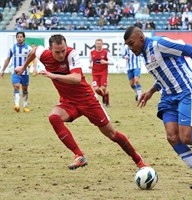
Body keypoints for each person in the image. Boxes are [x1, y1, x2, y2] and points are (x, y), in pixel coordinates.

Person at [15, 34, 148, 170]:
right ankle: (79, 156)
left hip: (87, 100)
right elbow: (34, 51)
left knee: (112, 134)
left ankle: (139, 161)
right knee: (54, 117)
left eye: (63, 50)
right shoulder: (44, 54)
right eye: (57, 52)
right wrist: (23, 67)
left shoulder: (71, 54)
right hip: (68, 102)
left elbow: (77, 78)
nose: (61, 55)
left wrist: (54, 75)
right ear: (50, 49)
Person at [123, 26, 192, 189]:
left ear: (141, 37)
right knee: (172, 137)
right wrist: (151, 91)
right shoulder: (144, 55)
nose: (131, 49)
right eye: (128, 46)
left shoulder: (159, 44)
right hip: (168, 97)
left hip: (185, 92)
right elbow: (164, 74)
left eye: (132, 44)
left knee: (186, 138)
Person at [1, 31, 37, 112]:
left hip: (25, 73)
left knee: (25, 89)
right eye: (18, 37)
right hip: (15, 72)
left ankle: (25, 106)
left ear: (24, 38)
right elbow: (7, 59)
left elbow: (34, 58)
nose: (19, 38)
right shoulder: (12, 48)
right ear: (16, 38)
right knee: (16, 87)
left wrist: (35, 68)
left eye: (21, 37)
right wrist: (3, 70)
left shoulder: (28, 48)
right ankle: (17, 105)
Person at [89, 38, 114, 107]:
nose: (99, 45)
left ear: (102, 45)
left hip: (103, 73)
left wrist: (105, 62)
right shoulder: (92, 53)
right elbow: (90, 61)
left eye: (100, 44)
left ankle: (107, 102)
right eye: (97, 44)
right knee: (96, 89)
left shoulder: (106, 52)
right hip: (95, 73)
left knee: (103, 88)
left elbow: (113, 62)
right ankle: (104, 96)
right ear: (95, 45)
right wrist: (91, 65)